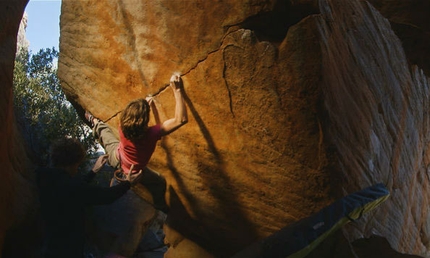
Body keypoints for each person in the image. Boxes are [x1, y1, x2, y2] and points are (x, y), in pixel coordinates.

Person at [85, 73, 188, 213]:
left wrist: (144, 106)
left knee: (105, 133)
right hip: (134, 173)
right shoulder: (151, 134)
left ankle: (94, 122)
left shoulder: (122, 125)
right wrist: (177, 90)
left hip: (116, 157)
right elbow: (180, 120)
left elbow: (133, 118)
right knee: (160, 182)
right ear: (145, 122)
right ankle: (160, 205)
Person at [36, 137, 142, 258]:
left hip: (50, 246)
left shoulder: (45, 179)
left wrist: (93, 171)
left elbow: (75, 188)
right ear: (72, 163)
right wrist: (128, 183)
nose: (77, 168)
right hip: (68, 250)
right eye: (77, 164)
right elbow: (106, 197)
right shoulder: (72, 187)